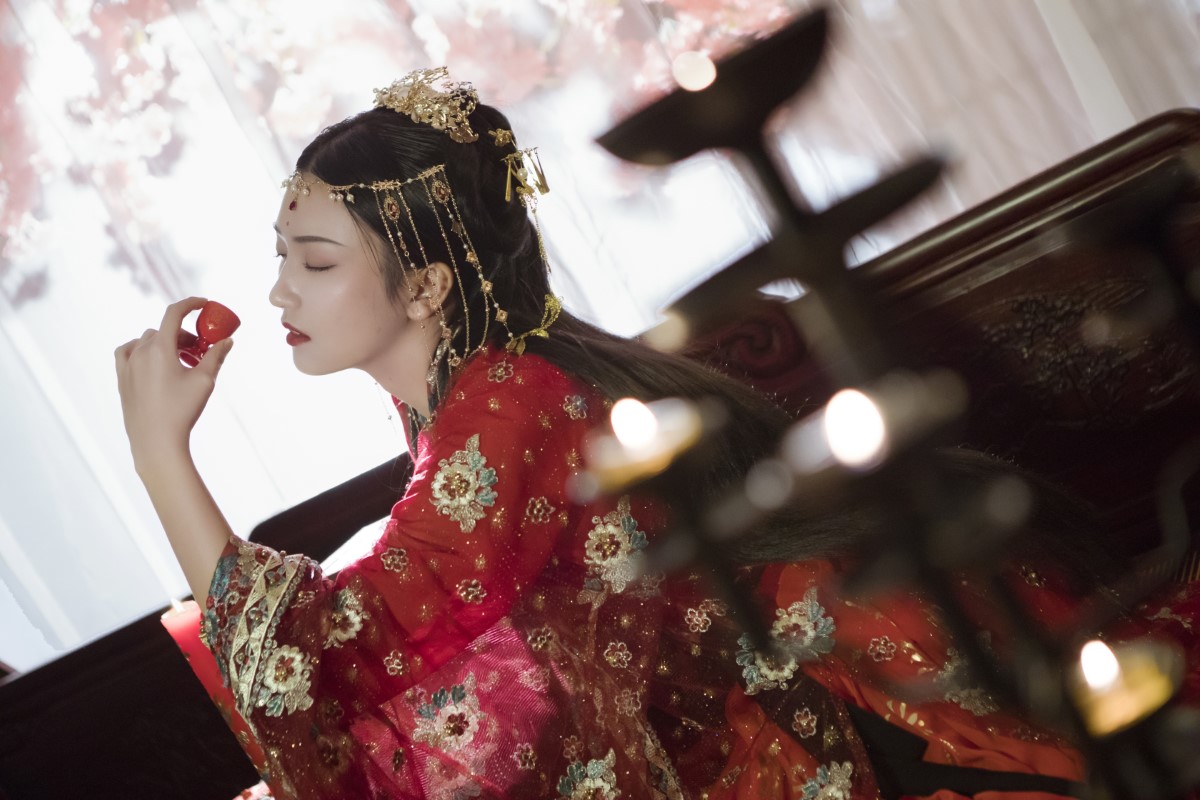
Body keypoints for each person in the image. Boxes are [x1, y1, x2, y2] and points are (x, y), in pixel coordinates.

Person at [115, 68, 1200, 799]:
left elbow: (337, 648)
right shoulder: (463, 390)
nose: (280, 291)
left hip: (846, 678)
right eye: (283, 256)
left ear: (430, 285)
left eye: (314, 261)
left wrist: (163, 454)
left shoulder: (505, 400)